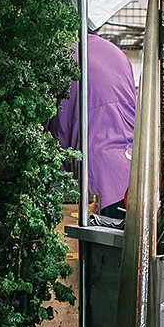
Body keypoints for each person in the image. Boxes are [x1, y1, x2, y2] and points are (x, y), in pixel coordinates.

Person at [51, 32, 138, 216]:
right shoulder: (116, 53)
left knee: (102, 242)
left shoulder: (56, 58)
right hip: (135, 171)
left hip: (98, 178)